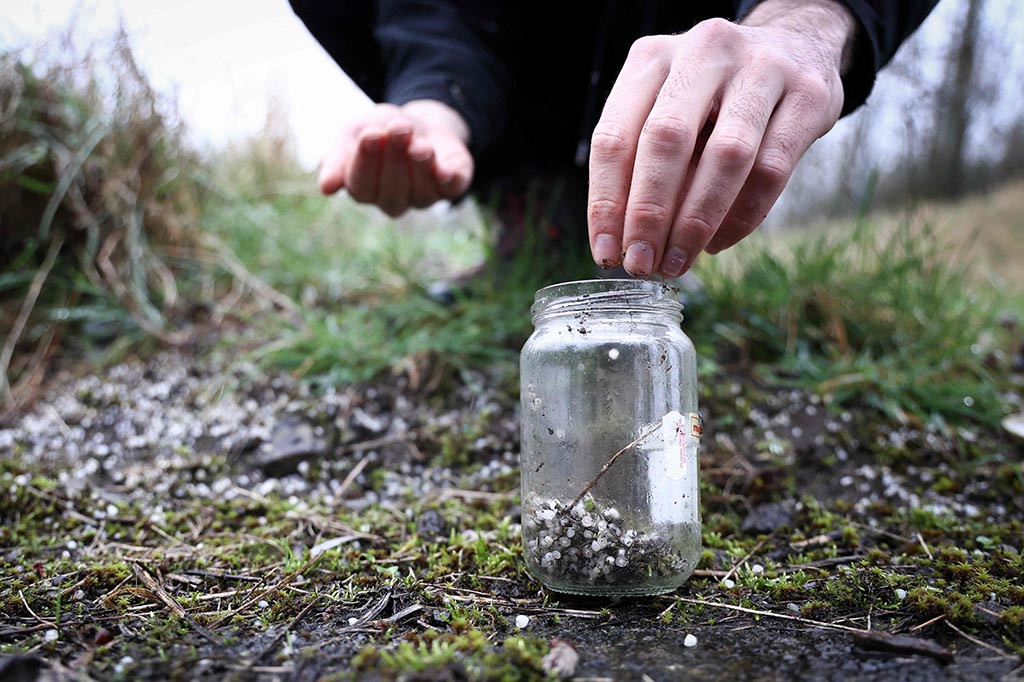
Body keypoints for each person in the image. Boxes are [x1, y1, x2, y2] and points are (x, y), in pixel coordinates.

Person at [290, 1, 937, 278]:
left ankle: (650, 229)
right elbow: (442, 14)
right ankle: (531, 202)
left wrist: (810, 20)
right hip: (517, 77)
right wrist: (435, 103)